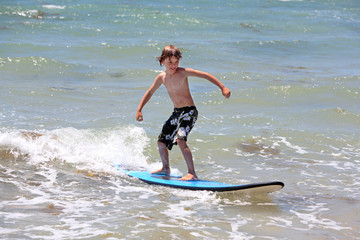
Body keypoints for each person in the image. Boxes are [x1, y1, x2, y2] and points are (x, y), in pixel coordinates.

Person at [136, 45, 231, 181]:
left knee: (180, 139)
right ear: (162, 61)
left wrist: (223, 87)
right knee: (161, 141)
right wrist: (140, 109)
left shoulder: (183, 72)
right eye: (170, 62)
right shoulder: (161, 78)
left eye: (176, 62)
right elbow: (150, 92)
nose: (173, 65)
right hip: (177, 113)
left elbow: (204, 75)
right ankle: (165, 168)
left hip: (189, 111)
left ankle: (192, 173)